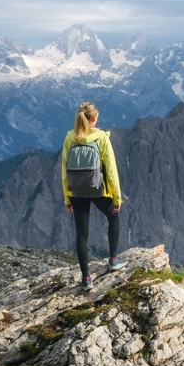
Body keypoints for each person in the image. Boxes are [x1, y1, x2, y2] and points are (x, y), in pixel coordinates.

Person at [61, 102, 125, 288]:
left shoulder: (69, 138)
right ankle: (113, 259)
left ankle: (86, 279)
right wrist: (116, 197)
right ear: (94, 119)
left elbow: (64, 171)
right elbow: (111, 170)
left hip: (76, 191)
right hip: (98, 188)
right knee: (113, 217)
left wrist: (67, 197)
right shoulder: (101, 138)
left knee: (81, 234)